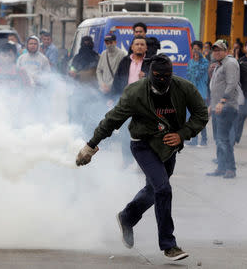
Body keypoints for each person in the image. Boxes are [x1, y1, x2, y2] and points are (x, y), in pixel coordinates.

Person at [75, 54, 208, 261]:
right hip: (143, 145)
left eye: (167, 76)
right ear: (148, 75)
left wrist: (182, 134)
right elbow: (112, 120)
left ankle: (127, 217)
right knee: (163, 188)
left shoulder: (184, 88)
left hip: (169, 146)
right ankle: (169, 245)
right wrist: (91, 146)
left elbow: (201, 114)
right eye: (157, 76)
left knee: (154, 190)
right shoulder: (135, 92)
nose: (162, 80)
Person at [112, 36, 149, 168]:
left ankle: (142, 162)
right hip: (127, 102)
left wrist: (147, 77)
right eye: (137, 44)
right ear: (132, 47)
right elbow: (117, 80)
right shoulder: (125, 61)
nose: (139, 46)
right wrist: (113, 98)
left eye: (142, 44)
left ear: (146, 48)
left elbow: (159, 80)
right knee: (124, 132)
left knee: (143, 133)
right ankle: (126, 159)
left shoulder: (150, 63)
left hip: (144, 103)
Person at [206, 39, 240, 179]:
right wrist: (212, 106)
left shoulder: (230, 63)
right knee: (218, 139)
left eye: (219, 50)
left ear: (226, 51)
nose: (217, 52)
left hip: (226, 107)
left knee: (224, 139)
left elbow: (232, 84)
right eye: (215, 50)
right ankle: (221, 167)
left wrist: (222, 101)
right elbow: (216, 86)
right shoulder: (219, 65)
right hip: (217, 107)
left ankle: (230, 168)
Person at [186, 40, 209, 146]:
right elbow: (189, 77)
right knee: (192, 117)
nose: (196, 51)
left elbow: (197, 75)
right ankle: (195, 140)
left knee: (200, 117)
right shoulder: (190, 62)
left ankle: (203, 139)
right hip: (191, 93)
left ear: (201, 50)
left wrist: (197, 61)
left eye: (198, 49)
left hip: (201, 94)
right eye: (194, 49)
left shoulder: (205, 62)